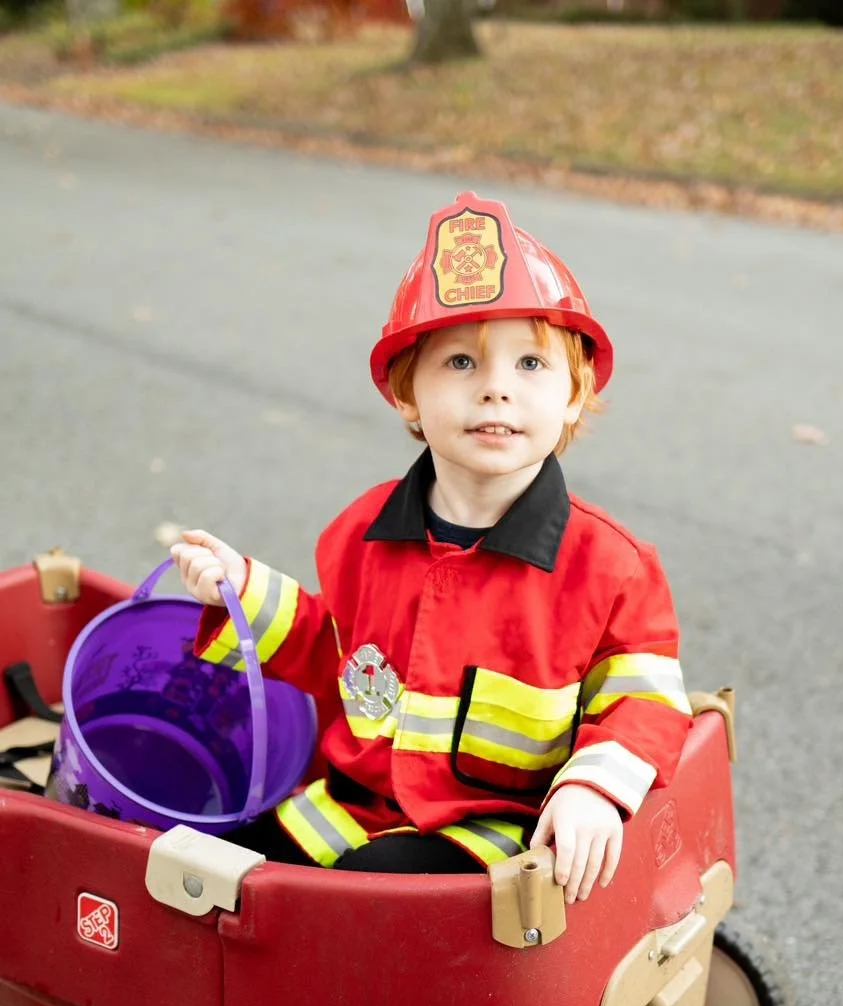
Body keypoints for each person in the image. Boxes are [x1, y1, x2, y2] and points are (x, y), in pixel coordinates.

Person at [171, 191, 692, 904]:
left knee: (359, 906)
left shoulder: (609, 564)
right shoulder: (364, 530)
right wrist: (240, 586)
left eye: (531, 365)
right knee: (204, 866)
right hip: (350, 807)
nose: (496, 391)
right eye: (459, 364)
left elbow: (647, 702)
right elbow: (334, 654)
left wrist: (594, 788)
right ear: (405, 393)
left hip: (491, 833)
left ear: (576, 392)